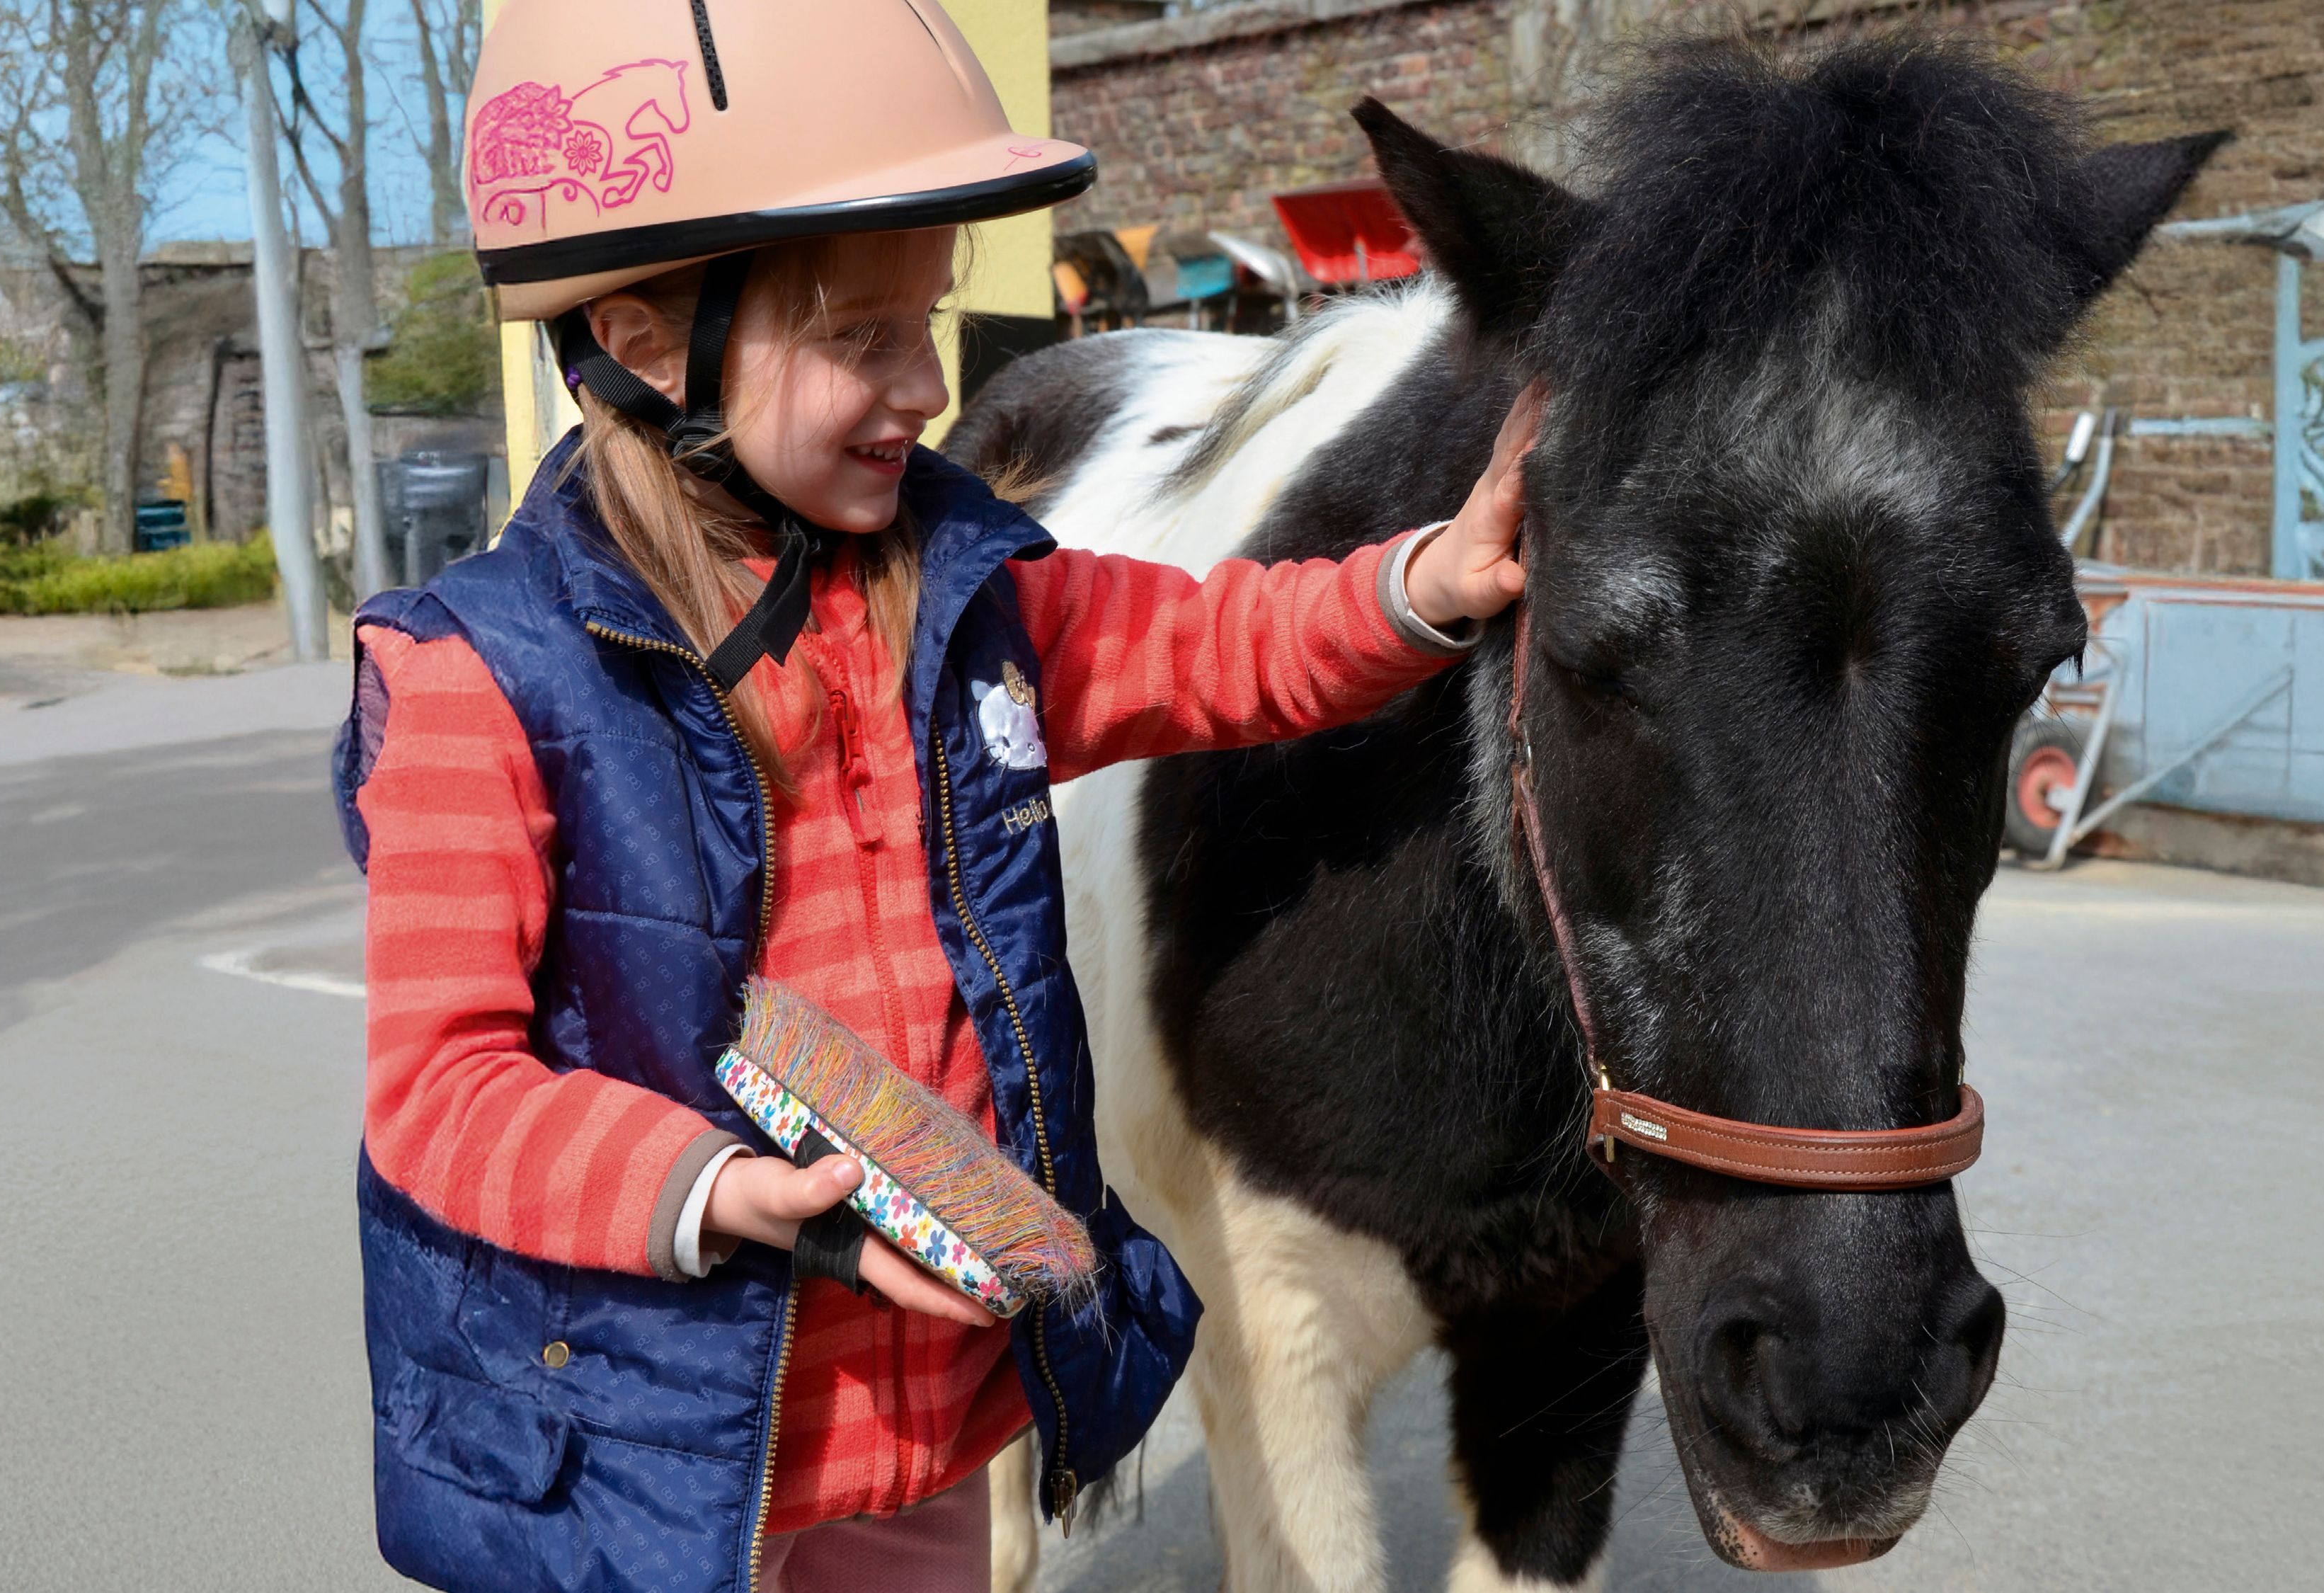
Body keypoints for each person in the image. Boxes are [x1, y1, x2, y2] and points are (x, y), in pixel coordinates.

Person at [331, 4, 1537, 1590]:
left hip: (917, 1437)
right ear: (638, 341)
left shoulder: (964, 596)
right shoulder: (477, 685)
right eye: (856, 337)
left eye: (930, 323)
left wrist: (1421, 587)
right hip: (648, 1456)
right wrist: (711, 1191)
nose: (924, 384)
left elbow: (1214, 644)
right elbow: (439, 1093)